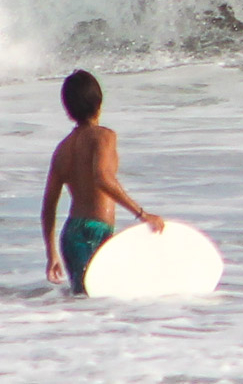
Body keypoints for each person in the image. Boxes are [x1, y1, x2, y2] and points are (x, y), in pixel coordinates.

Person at [41, 69, 165, 294]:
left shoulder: (62, 149)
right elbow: (102, 178)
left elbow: (48, 206)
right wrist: (141, 214)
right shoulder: (103, 137)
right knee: (104, 302)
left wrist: (52, 254)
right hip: (95, 232)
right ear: (99, 102)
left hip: (71, 236)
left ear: (68, 111)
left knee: (88, 304)